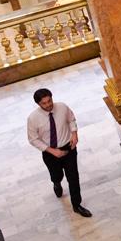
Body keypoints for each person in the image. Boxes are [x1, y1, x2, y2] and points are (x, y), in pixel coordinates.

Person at [26, 88, 91, 217]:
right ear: (38, 104)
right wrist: (52, 151)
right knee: (57, 175)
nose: (48, 104)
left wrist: (74, 134)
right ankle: (56, 183)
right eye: (44, 103)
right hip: (50, 152)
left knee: (73, 177)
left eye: (49, 101)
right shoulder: (33, 119)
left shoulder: (62, 107)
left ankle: (77, 205)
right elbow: (33, 139)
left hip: (69, 148)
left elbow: (71, 119)